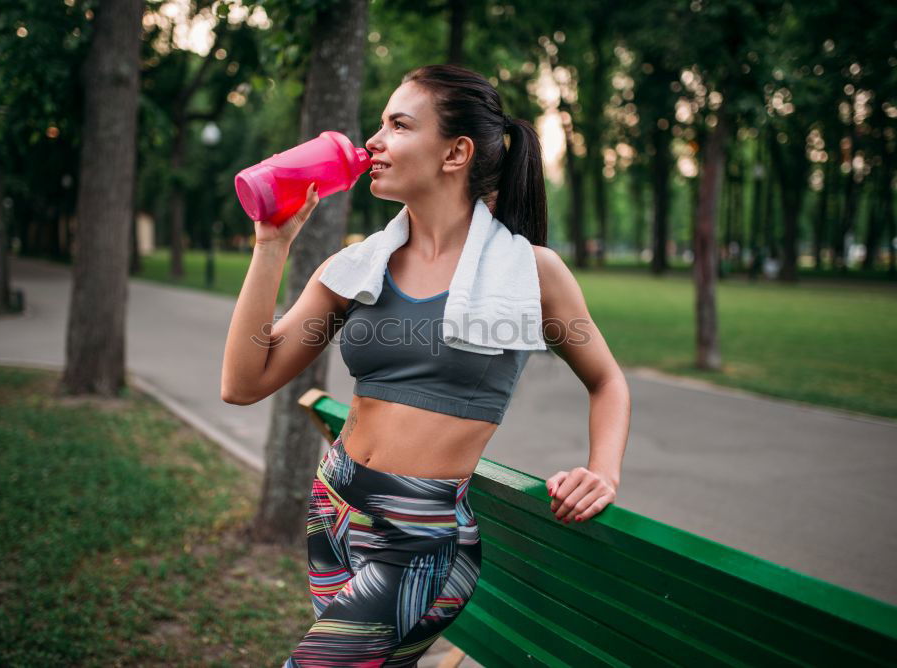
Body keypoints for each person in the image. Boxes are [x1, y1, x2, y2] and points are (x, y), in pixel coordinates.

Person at [221, 64, 630, 666]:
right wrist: (270, 246)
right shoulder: (360, 266)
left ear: (455, 152)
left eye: (398, 125)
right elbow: (243, 381)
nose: (374, 141)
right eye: (379, 124)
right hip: (335, 513)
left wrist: (604, 469)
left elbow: (607, 380)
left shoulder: (529, 273)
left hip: (420, 541)